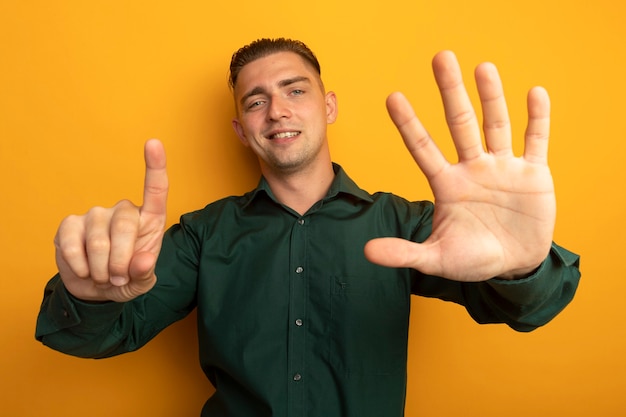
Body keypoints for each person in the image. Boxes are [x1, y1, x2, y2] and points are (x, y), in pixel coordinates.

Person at [36, 38, 580, 417]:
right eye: (256, 101)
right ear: (241, 128)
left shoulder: (403, 224)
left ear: (329, 106)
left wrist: (524, 265)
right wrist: (89, 298)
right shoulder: (204, 235)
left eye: (295, 90)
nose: (277, 111)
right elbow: (103, 332)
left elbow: (527, 309)